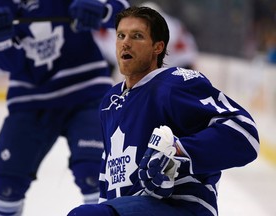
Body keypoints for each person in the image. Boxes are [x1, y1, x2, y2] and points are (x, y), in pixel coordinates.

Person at [67, 6, 260, 216]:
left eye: (137, 36)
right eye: (121, 35)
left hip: (182, 207)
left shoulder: (173, 84)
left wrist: (178, 153)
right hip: (128, 208)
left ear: (157, 47)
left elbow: (244, 133)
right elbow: (108, 174)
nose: (126, 42)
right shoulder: (110, 102)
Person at [0, 0, 130, 215]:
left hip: (87, 92)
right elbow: (8, 63)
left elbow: (125, 14)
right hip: (29, 101)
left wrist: (102, 10)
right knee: (5, 185)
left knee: (97, 173)